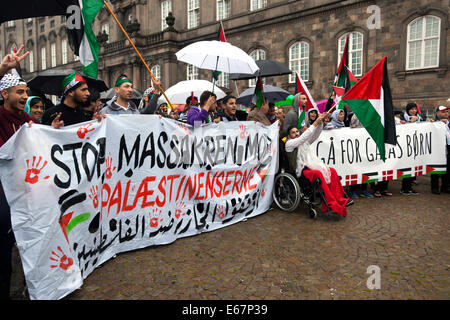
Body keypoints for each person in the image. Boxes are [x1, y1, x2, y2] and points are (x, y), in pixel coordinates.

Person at [285, 111, 352, 217]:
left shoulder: (302, 143)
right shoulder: (289, 144)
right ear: (288, 135)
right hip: (300, 171)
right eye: (293, 133)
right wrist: (315, 122)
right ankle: (330, 203)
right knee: (318, 174)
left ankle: (341, 199)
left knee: (332, 171)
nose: (296, 133)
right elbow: (303, 138)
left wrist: (320, 122)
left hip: (310, 166)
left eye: (297, 132)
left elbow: (314, 135)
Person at [399, 102, 422, 195]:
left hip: (415, 146)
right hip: (405, 147)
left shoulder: (419, 118)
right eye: (412, 109)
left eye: (415, 109)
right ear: (408, 110)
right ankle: (404, 188)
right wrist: (409, 122)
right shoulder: (402, 118)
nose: (414, 111)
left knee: (413, 168)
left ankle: (409, 187)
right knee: (407, 168)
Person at [431, 106, 450, 194]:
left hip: (448, 147)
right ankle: (434, 187)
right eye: (443, 112)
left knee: (448, 168)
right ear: (437, 113)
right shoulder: (433, 123)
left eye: (446, 111)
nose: (445, 113)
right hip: (437, 147)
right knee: (436, 168)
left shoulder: (448, 123)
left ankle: (445, 187)